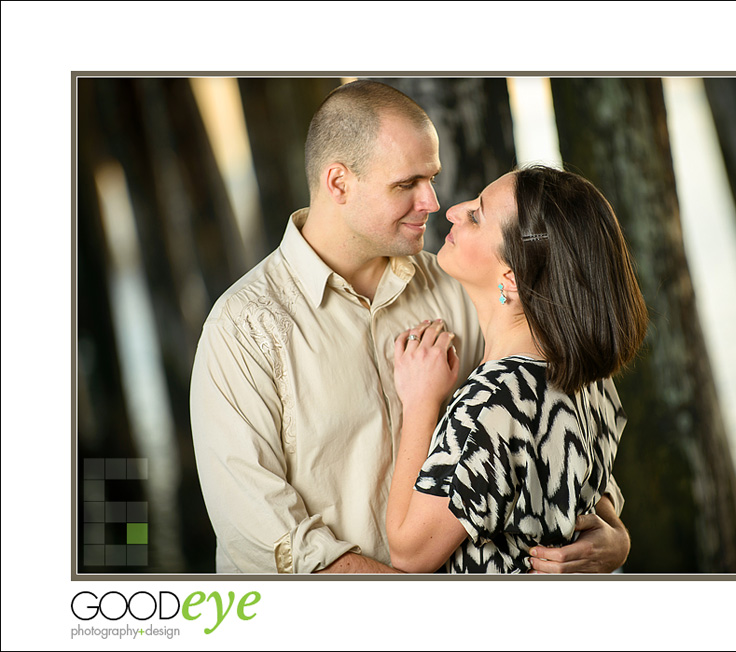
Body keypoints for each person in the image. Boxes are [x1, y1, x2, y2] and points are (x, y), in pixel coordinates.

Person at [190, 80, 631, 573]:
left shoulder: (461, 283)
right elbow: (270, 542)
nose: (434, 202)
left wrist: (612, 533)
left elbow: (567, 397)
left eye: (432, 177)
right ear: (339, 183)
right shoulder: (243, 331)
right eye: (407, 184)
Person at [387, 165, 648, 573]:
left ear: (509, 277)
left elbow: (408, 553)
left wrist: (420, 403)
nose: (453, 210)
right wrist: (618, 536)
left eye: (476, 215)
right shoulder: (589, 378)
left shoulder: (493, 403)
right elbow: (592, 492)